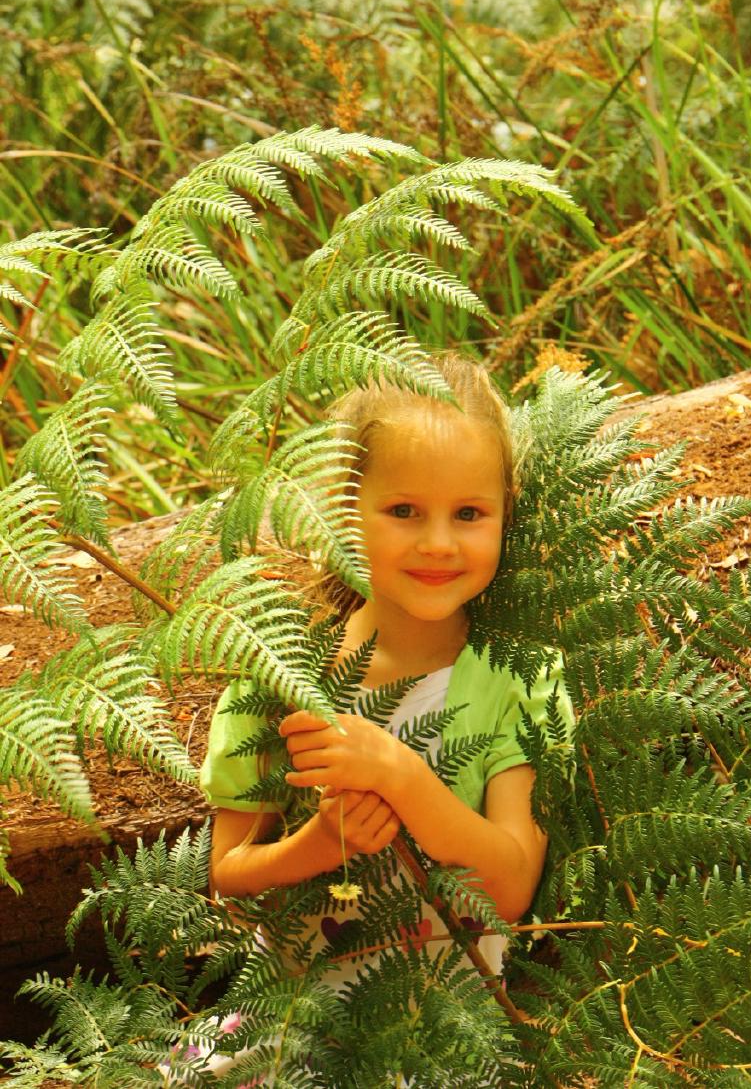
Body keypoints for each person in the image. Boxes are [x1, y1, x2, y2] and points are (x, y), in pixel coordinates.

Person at [191, 356, 569, 1078]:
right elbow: (228, 876)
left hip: (443, 1028)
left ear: (505, 511)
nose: (437, 542)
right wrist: (317, 843)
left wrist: (404, 775)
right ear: (342, 512)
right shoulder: (279, 677)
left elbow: (513, 887)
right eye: (403, 511)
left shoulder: (521, 680)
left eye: (468, 513)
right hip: (289, 1016)